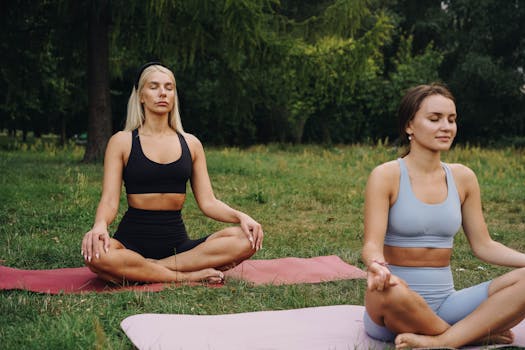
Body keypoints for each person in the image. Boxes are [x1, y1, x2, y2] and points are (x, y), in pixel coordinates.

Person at [361, 83, 525, 348]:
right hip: (394, 304)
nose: (446, 127)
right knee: (393, 292)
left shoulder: (463, 178)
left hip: (447, 303)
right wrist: (377, 266)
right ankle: (473, 333)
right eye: (434, 119)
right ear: (409, 126)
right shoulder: (386, 175)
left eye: (451, 119)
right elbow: (371, 244)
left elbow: (484, 245)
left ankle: (443, 340)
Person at [81, 62, 263, 284]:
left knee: (246, 238)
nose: (162, 93)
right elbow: (109, 201)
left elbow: (208, 202)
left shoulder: (191, 143)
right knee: (97, 253)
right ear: (140, 95)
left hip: (178, 247)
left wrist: (241, 216)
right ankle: (185, 277)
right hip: (131, 241)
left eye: (169, 87)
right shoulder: (122, 141)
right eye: (154, 86)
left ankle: (145, 269)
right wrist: (100, 225)